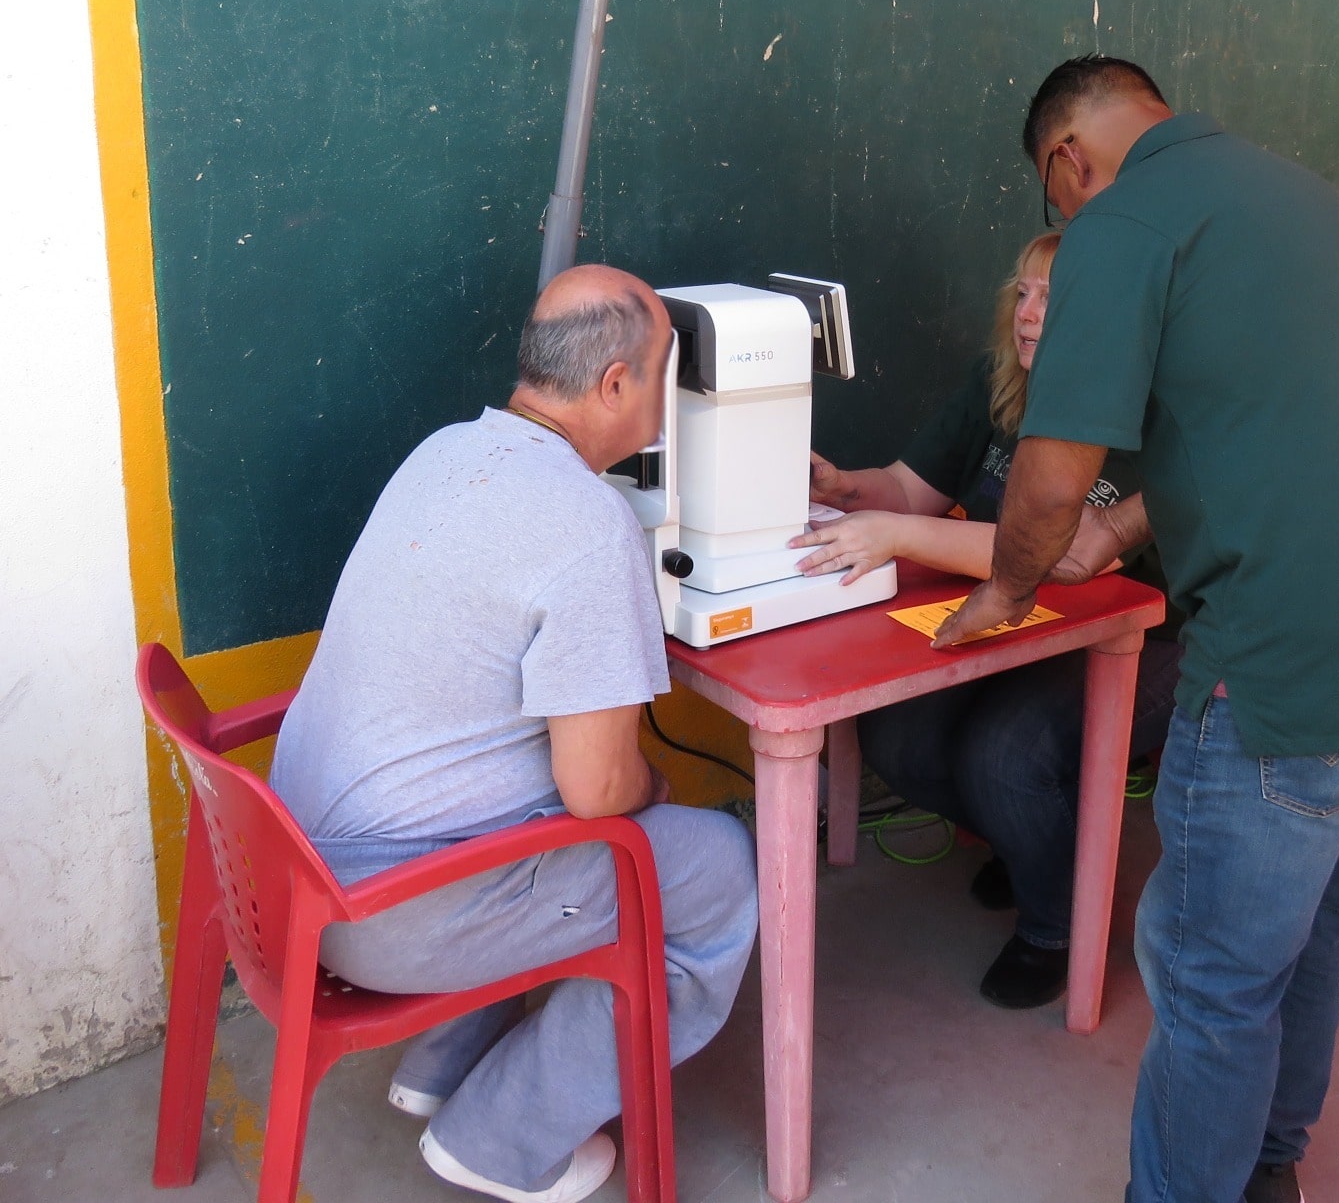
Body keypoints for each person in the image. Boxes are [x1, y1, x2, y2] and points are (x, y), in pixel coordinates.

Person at [934, 56, 1339, 1203]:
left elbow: (1047, 480)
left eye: (1057, 201)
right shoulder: (1298, 195)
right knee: (1316, 924)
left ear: (1065, 161)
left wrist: (1001, 594)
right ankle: (1268, 1165)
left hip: (1284, 662)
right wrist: (1133, 528)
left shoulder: (1121, 223)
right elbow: (1283, 420)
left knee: (1207, 976)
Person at [269, 265, 758, 1203]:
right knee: (711, 865)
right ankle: (499, 1136)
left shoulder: (443, 451)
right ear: (615, 385)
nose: (665, 402)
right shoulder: (587, 523)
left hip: (293, 878)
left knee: (506, 783)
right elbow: (598, 793)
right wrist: (658, 791)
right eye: (662, 377)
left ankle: (444, 1063)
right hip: (391, 916)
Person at [795, 231, 1183, 1010]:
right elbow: (910, 490)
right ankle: (1037, 840)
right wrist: (845, 489)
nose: (1030, 314)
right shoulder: (999, 383)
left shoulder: (1151, 412)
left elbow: (1069, 557)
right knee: (899, 737)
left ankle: (1057, 923)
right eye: (1025, 294)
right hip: (1014, 618)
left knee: (1004, 755)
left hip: (1143, 636)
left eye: (1055, 297)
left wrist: (896, 538)